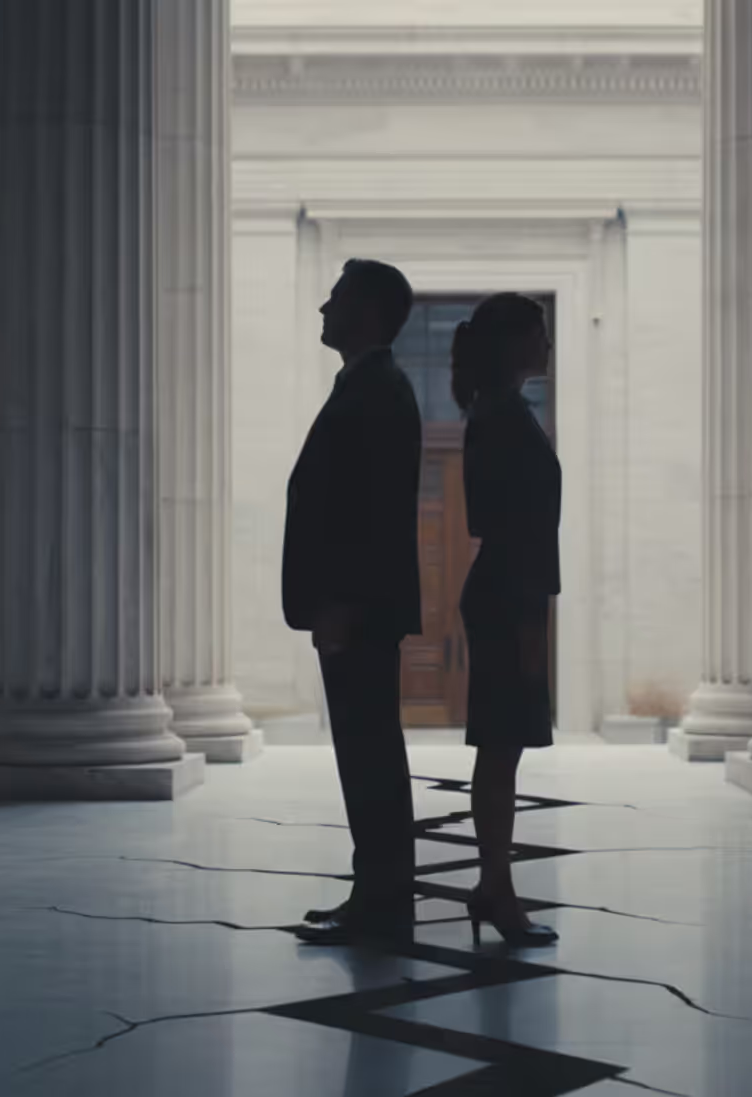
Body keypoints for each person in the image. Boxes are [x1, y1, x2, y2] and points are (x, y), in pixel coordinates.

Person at [282, 258, 423, 946]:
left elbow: (371, 515)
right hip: (355, 605)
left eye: (334, 297)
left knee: (369, 753)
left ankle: (383, 898)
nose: (321, 308)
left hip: (358, 608)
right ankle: (378, 890)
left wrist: (341, 603)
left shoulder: (380, 390)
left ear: (365, 311)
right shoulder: (369, 386)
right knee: (366, 751)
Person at [451, 293, 561, 948]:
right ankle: (496, 887)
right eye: (539, 334)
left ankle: (497, 884)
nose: (548, 345)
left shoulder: (498, 411)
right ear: (515, 343)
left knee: (503, 746)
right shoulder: (503, 417)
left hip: (508, 588)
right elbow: (511, 525)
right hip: (509, 592)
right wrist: (530, 622)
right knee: (501, 747)